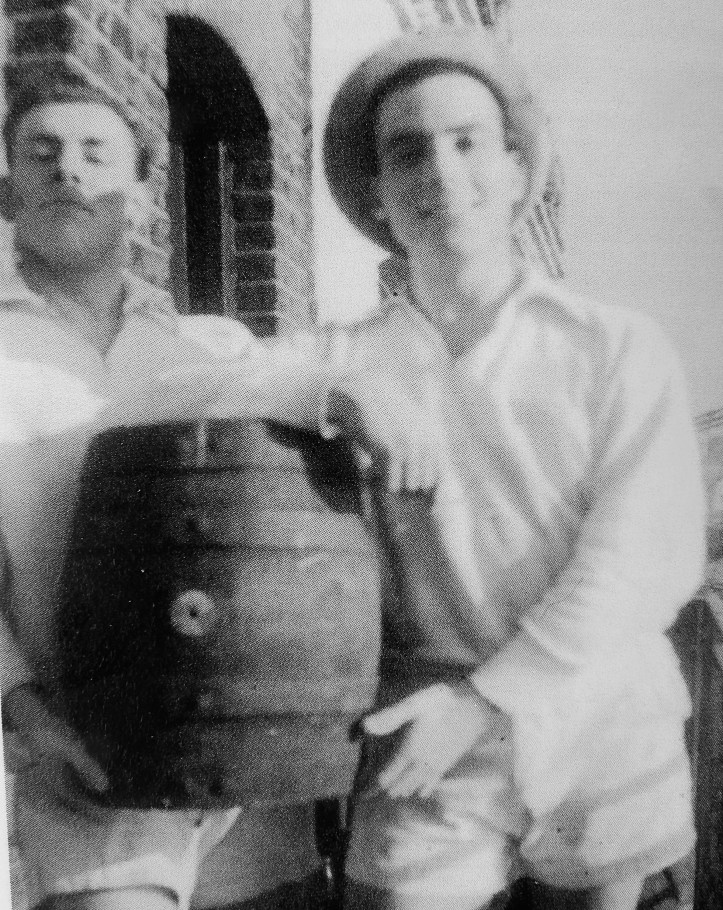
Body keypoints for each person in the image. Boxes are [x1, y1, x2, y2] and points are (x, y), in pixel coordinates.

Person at [0, 65, 438, 910]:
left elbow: (310, 395)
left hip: (254, 756)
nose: (69, 171)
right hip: (92, 758)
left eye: (97, 152)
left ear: (142, 188)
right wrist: (21, 711)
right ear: (7, 187)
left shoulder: (211, 348)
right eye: (42, 153)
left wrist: (352, 395)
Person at [312, 27, 706, 910]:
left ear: (518, 170)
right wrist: (332, 391)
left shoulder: (611, 346)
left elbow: (646, 557)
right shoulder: (342, 351)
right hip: (426, 740)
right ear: (375, 193)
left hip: (597, 718)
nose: (439, 174)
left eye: (467, 143)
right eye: (406, 152)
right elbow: (200, 388)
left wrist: (489, 700)